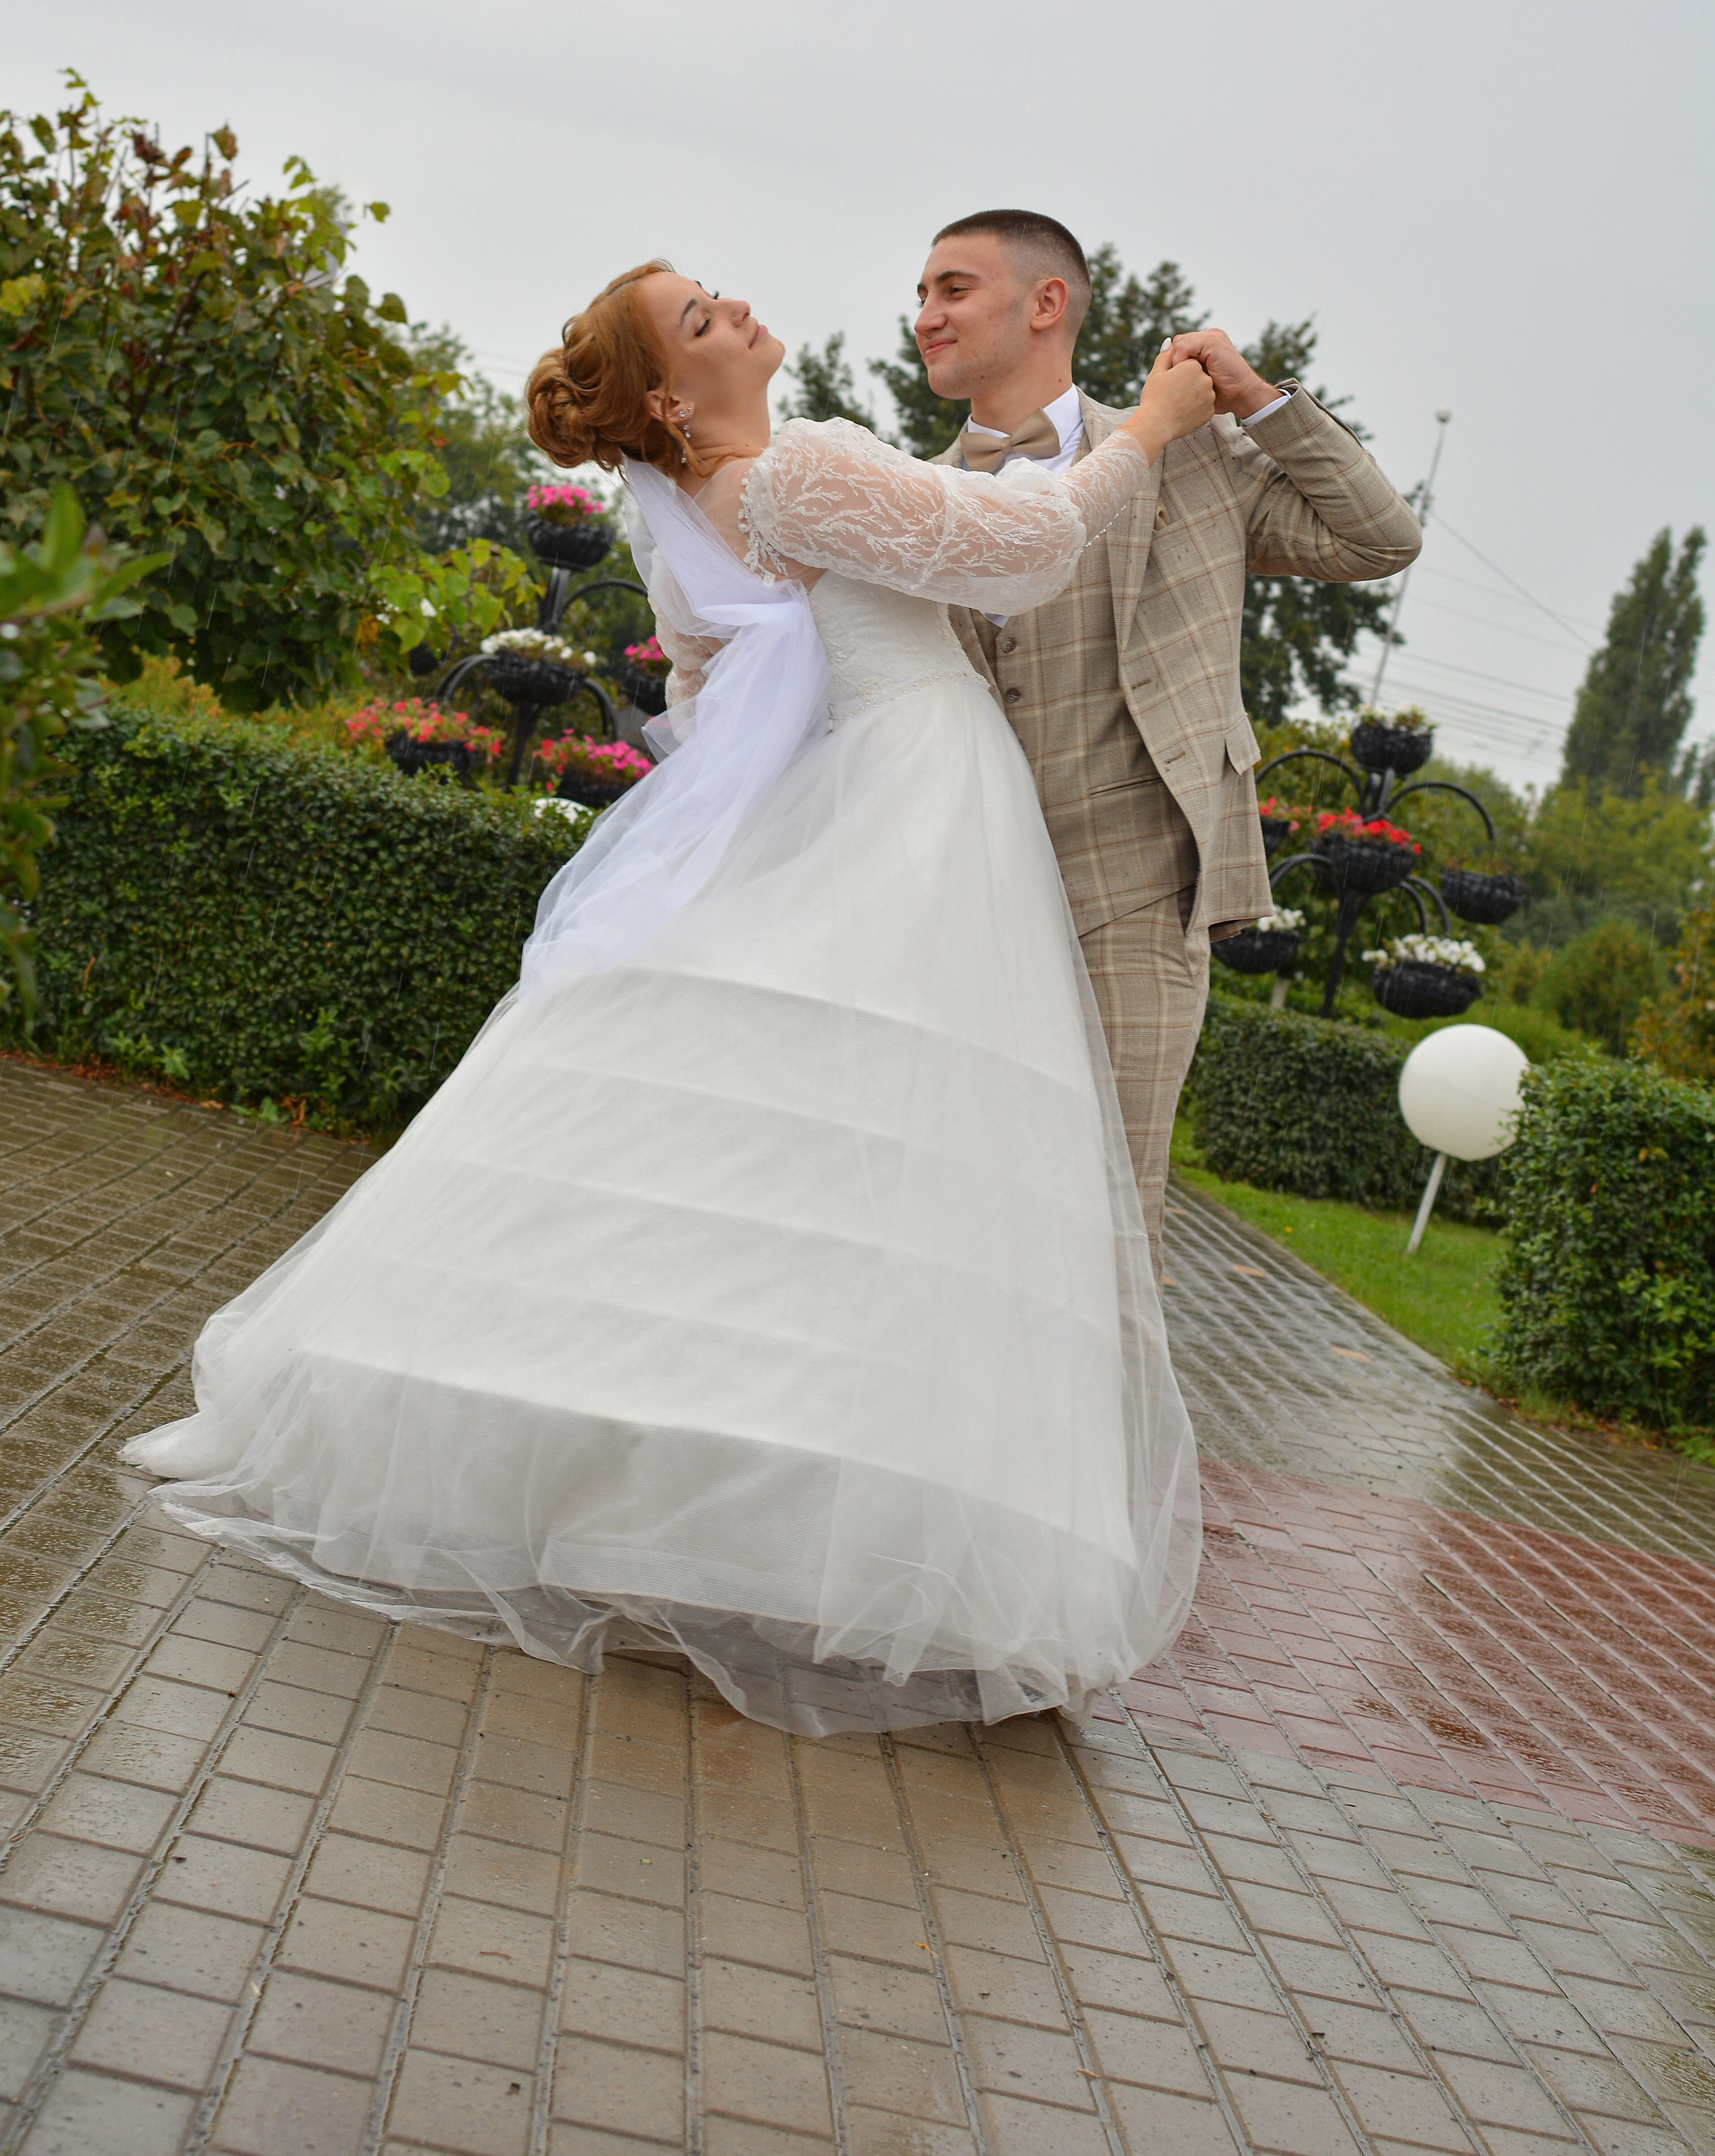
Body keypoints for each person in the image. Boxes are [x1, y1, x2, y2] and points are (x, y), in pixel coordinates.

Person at [124, 261, 1214, 1738]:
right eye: (701, 320)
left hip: (845, 794)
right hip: (915, 796)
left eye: (717, 296)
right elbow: (1016, 546)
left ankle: (672, 1503)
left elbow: (703, 701)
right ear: (662, 394)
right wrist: (1143, 429)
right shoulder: (797, 466)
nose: (739, 311)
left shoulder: (690, 520)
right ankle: (785, 1529)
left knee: (775, 1160)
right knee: (869, 1168)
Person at [916, 210, 1423, 1266]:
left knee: (1107, 1219)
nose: (927, 317)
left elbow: (1381, 537)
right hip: (965, 895)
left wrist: (1258, 400)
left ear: (1045, 301)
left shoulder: (1191, 457)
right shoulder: (917, 495)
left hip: (1137, 887)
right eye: (921, 296)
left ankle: (1097, 1437)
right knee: (959, 1208)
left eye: (952, 289)